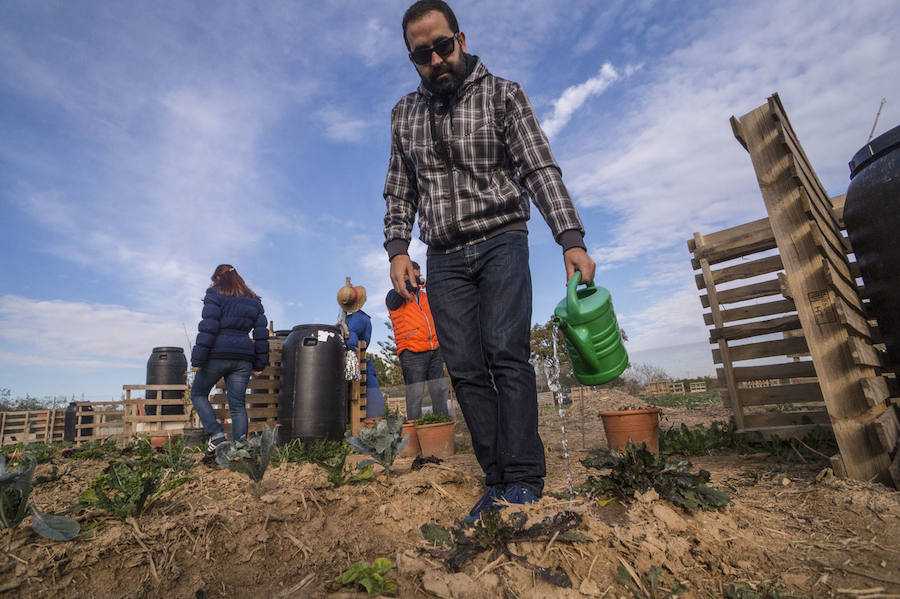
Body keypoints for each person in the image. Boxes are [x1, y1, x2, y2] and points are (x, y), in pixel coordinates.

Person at [382, 0, 597, 521]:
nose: (435, 60)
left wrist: (569, 238)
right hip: (443, 256)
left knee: (505, 352)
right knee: (464, 367)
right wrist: (398, 249)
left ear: (460, 39)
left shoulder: (504, 95)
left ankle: (523, 478)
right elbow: (400, 188)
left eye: (442, 46)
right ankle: (497, 477)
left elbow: (539, 168)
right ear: (412, 60)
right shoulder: (405, 114)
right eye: (422, 55)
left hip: (502, 238)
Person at [190, 264, 269, 452]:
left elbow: (208, 327)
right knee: (238, 406)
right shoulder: (254, 302)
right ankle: (241, 449)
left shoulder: (214, 295)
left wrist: (198, 360)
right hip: (243, 358)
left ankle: (217, 436)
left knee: (198, 394)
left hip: (218, 354)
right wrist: (259, 364)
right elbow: (261, 335)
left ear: (218, 278)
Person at [385, 260, 449, 420]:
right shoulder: (394, 295)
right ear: (405, 275)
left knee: (440, 391)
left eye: (419, 276)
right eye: (415, 276)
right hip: (412, 352)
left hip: (434, 349)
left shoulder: (425, 297)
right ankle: (414, 431)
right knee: (415, 395)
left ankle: (441, 426)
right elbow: (403, 291)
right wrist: (415, 283)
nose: (419, 279)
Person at [338, 277, 385, 418]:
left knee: (369, 410)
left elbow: (351, 341)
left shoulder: (356, 319)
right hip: (360, 367)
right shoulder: (358, 318)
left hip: (358, 367)